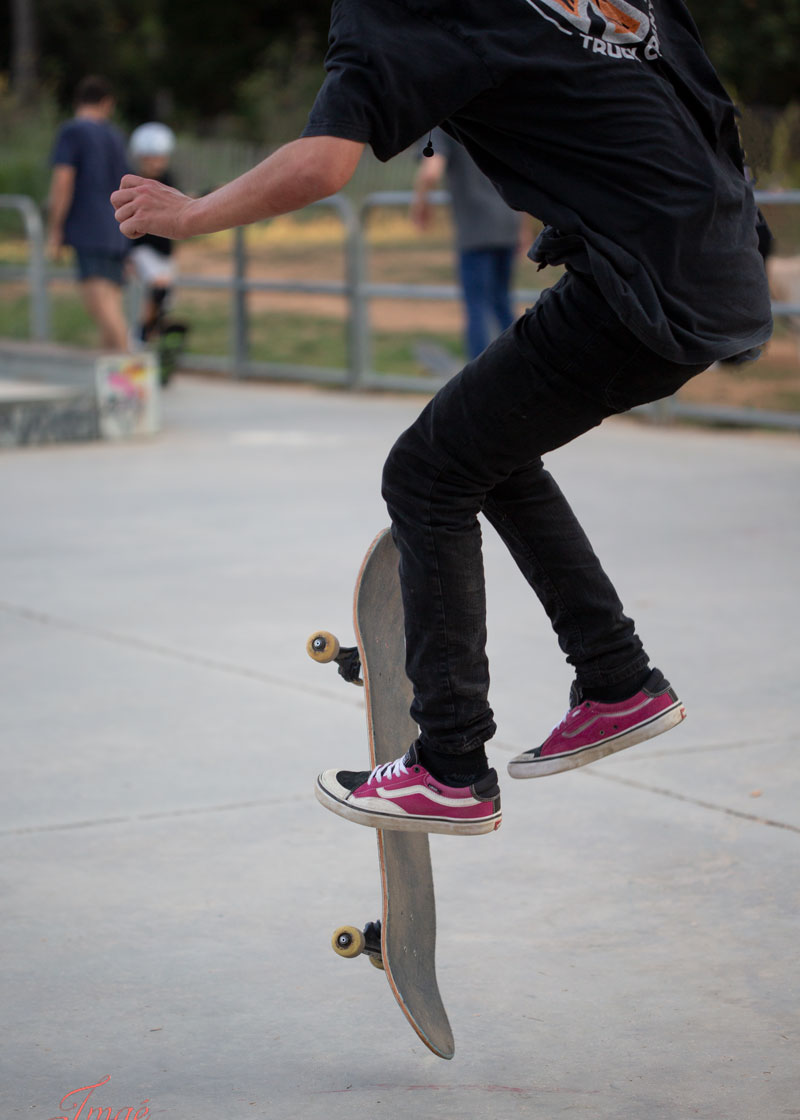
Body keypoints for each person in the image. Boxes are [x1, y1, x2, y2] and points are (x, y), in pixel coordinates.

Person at [112, 0, 772, 839]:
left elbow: (322, 165)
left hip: (635, 290)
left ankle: (451, 765)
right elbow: (700, 93)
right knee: (485, 450)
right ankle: (616, 677)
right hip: (717, 262)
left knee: (426, 472)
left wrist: (189, 215)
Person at [411, 127, 522, 359]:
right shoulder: (488, 109)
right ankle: (518, 366)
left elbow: (431, 170)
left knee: (477, 307)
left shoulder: (439, 123)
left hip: (476, 228)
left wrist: (420, 204)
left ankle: (479, 376)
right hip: (508, 220)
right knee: (502, 303)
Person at [48, 75, 131, 351]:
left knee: (101, 309)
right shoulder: (115, 136)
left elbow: (63, 180)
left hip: (88, 228)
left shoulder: (73, 131)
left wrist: (55, 227)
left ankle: (131, 378)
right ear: (107, 103)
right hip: (116, 229)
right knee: (111, 307)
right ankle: (112, 387)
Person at [127, 122, 179, 345]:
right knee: (158, 287)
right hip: (142, 248)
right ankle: (140, 336)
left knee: (165, 300)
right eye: (150, 159)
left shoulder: (168, 180)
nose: (156, 164)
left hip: (164, 250)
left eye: (159, 158)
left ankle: (152, 338)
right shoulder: (135, 183)